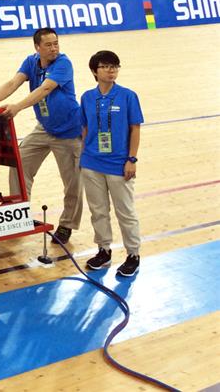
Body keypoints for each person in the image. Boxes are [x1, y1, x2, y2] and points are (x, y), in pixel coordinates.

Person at [0, 28, 83, 244]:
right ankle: (20, 215)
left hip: (70, 132)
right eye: (49, 45)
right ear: (37, 48)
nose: (54, 48)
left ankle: (67, 225)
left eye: (56, 43)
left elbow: (44, 89)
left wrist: (18, 107)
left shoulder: (64, 63)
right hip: (44, 128)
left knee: (72, 183)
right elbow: (13, 83)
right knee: (20, 164)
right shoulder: (30, 62)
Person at [80, 50, 143, 277]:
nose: (111, 70)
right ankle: (104, 251)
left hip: (118, 164)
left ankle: (133, 254)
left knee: (125, 212)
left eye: (115, 66)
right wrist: (84, 155)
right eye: (106, 66)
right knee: (98, 211)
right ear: (95, 71)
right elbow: (85, 127)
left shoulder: (127, 96)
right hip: (91, 163)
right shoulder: (87, 97)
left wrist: (131, 159)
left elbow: (135, 128)